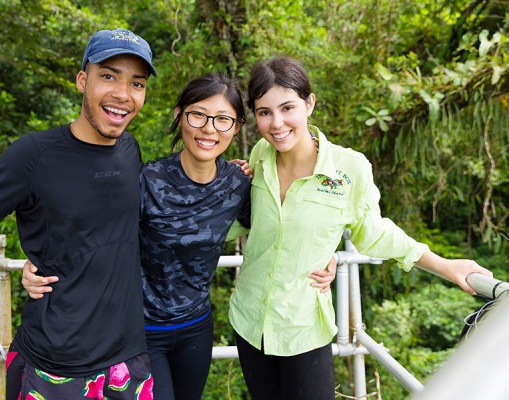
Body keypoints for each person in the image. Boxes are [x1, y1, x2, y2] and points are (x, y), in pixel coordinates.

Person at [21, 73, 340, 399]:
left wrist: (327, 257)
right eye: (198, 115)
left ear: (236, 126)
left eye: (223, 119)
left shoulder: (239, 184)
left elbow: (282, 226)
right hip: (139, 331)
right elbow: (93, 232)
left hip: (195, 330)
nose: (209, 128)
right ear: (179, 115)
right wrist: (40, 263)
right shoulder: (147, 180)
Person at [0, 28, 158, 399]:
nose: (122, 94)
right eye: (108, 75)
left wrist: (231, 173)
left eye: (136, 83)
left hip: (128, 361)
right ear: (81, 80)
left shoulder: (130, 149)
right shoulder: (32, 156)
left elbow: (108, 230)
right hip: (55, 366)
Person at [227, 56, 494, 400]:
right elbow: (250, 222)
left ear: (309, 104)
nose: (276, 123)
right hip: (250, 322)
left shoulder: (348, 168)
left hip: (302, 326)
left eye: (287, 108)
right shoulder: (261, 155)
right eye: (264, 112)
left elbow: (375, 232)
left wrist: (444, 264)